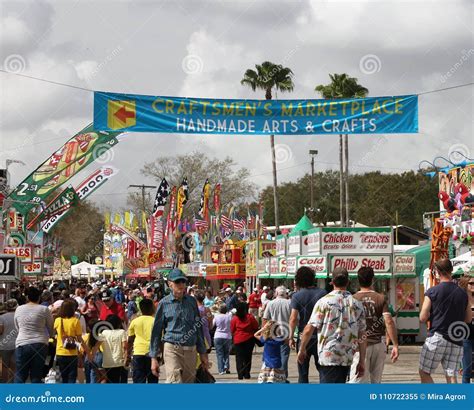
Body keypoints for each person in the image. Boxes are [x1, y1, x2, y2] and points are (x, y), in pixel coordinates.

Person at [298, 267, 367, 383]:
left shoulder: (324, 302)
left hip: (328, 357)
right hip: (347, 357)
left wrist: (302, 348)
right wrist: (362, 361)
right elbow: (362, 334)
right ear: (348, 282)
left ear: (332, 282)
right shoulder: (357, 304)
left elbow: (309, 328)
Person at [149, 269, 209, 383]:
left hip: (191, 350)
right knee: (174, 381)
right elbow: (156, 332)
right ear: (170, 284)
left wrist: (203, 353)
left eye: (183, 281)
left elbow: (198, 328)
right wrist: (154, 358)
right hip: (172, 349)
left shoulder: (192, 302)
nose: (181, 285)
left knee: (188, 382)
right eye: (178, 282)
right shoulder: (164, 303)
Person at [419, 259, 472, 383]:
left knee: (424, 372)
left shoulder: (432, 292)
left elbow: (423, 317)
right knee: (451, 375)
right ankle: (452, 401)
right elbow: (468, 319)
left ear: (437, 272)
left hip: (437, 336)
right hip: (456, 339)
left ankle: (434, 399)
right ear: (451, 270)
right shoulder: (463, 294)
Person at [349, 267, 399, 383]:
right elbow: (389, 321)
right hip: (378, 343)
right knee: (376, 381)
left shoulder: (353, 299)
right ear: (372, 279)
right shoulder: (380, 298)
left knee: (357, 381)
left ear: (358, 280)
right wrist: (395, 345)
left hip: (360, 345)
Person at [289, 266, 327, 383]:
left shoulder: (296, 296)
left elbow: (293, 318)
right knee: (322, 370)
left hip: (303, 337)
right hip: (320, 336)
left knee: (303, 371)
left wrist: (291, 337)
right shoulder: (323, 293)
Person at [14, 287, 54, 383]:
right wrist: (51, 336)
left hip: (22, 343)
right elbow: (51, 328)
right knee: (36, 375)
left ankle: (15, 396)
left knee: (20, 374)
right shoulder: (44, 309)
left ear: (27, 297)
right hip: (40, 344)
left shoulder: (19, 309)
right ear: (39, 297)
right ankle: (35, 396)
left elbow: (17, 327)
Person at [54, 298, 90, 383]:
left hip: (60, 352)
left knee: (63, 377)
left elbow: (55, 333)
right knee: (72, 377)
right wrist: (88, 351)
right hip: (72, 353)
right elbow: (80, 339)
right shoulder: (75, 321)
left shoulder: (58, 320)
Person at [262, 286, 291, 379]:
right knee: (284, 356)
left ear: (276, 293)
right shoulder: (290, 303)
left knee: (271, 355)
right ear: (285, 294)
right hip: (285, 333)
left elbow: (265, 318)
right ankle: (282, 376)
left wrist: (264, 332)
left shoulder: (271, 303)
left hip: (272, 334)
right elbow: (294, 319)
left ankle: (271, 376)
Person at [127, 298, 157, 383]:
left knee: (138, 380)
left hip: (138, 353)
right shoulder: (155, 321)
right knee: (153, 380)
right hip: (152, 354)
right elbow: (160, 339)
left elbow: (130, 340)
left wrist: (128, 355)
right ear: (152, 308)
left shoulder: (134, 321)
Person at [93, 314, 128, 383]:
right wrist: (126, 357)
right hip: (120, 362)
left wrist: (92, 355)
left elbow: (96, 345)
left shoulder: (104, 333)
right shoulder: (121, 332)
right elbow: (125, 346)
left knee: (110, 382)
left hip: (107, 363)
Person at [230, 302, 259, 380]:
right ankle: (247, 374)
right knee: (248, 358)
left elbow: (232, 330)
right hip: (249, 340)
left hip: (238, 340)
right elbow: (256, 326)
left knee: (239, 358)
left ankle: (240, 374)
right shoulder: (250, 317)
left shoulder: (235, 319)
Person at [459, 275, 474, 383]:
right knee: (467, 370)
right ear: (465, 284)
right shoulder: (461, 299)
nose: (473, 285)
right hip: (466, 337)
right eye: (471, 283)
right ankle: (466, 395)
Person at [0, 299, 18, 383]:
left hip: (4, 345)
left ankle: (4, 384)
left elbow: (0, 331)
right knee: (14, 366)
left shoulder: (2, 317)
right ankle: (12, 383)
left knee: (4, 366)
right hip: (16, 344)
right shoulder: (18, 316)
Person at [213, 304, 232, 375]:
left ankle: (221, 370)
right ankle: (226, 367)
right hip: (227, 336)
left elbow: (212, 325)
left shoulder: (216, 316)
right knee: (226, 353)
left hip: (218, 335)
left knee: (219, 354)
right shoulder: (229, 317)